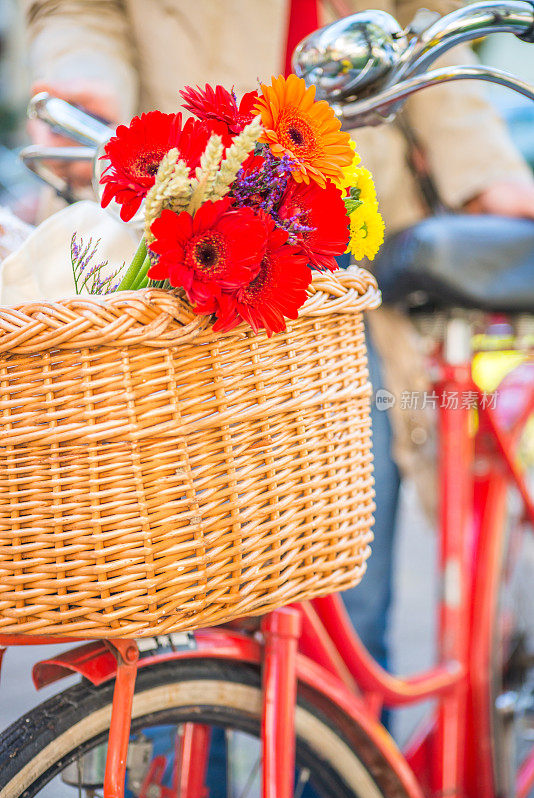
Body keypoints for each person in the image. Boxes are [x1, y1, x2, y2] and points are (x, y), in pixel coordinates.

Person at [22, 0, 534, 680]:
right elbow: (78, 8)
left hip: (341, 215)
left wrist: (482, 166)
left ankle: (341, 766)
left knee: (346, 590)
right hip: (186, 192)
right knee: (175, 591)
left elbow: (427, 17)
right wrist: (83, 82)